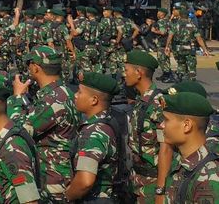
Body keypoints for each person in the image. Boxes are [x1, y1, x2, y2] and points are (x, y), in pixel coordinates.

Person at [8, 45, 78, 202]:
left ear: (35, 67)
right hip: (61, 174)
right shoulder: (65, 92)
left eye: (29, 65)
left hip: (52, 181)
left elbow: (17, 130)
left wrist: (16, 98)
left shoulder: (52, 99)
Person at [124, 50, 173, 202]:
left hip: (153, 181)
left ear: (138, 73)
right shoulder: (140, 100)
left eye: (126, 70)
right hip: (138, 179)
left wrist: (160, 191)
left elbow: (166, 149)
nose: (124, 74)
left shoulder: (157, 104)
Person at [66, 72, 121, 202]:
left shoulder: (93, 133)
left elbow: (85, 181)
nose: (75, 95)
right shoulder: (109, 120)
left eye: (79, 92)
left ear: (94, 100)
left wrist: (67, 198)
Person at [162, 92, 219, 202]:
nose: (161, 125)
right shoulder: (181, 158)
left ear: (187, 125)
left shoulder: (208, 178)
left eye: (166, 120)